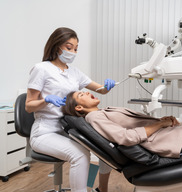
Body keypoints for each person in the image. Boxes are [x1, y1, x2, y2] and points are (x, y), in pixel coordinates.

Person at [26, 27, 115, 192]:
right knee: (80, 155)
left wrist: (107, 86)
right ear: (56, 45)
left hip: (69, 128)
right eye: (69, 47)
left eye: (75, 49)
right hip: (45, 131)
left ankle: (100, 188)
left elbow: (100, 89)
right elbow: (28, 105)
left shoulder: (74, 72)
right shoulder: (41, 69)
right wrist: (46, 100)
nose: (73, 52)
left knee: (105, 147)